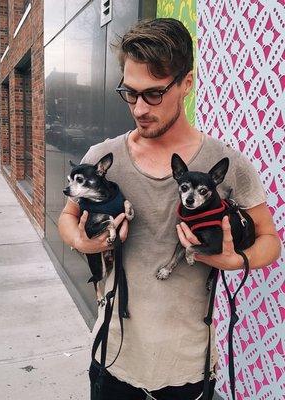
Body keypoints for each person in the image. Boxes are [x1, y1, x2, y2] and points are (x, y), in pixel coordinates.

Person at [58, 18, 281, 400]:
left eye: (154, 94)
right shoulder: (102, 157)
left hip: (187, 367)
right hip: (113, 355)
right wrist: (86, 242)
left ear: (187, 83)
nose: (140, 108)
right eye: (130, 93)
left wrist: (234, 261)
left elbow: (270, 241)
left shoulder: (227, 163)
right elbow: (68, 217)